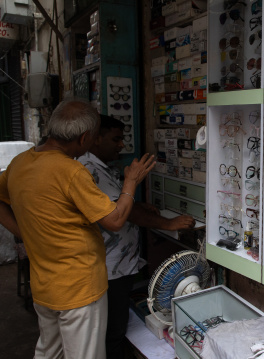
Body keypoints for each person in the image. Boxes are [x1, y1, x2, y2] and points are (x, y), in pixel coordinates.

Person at [0, 99, 155, 359]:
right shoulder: (71, 171)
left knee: (50, 352)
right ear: (84, 139)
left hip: (45, 285)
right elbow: (115, 221)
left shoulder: (20, 163)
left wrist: (25, 232)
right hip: (79, 289)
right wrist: (131, 181)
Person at [77, 115, 196, 359]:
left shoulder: (101, 166)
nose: (121, 145)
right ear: (96, 138)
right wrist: (167, 223)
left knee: (115, 323)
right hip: (109, 268)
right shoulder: (89, 169)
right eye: (116, 139)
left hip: (117, 265)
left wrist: (139, 204)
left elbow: (120, 201)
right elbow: (120, 214)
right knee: (113, 329)